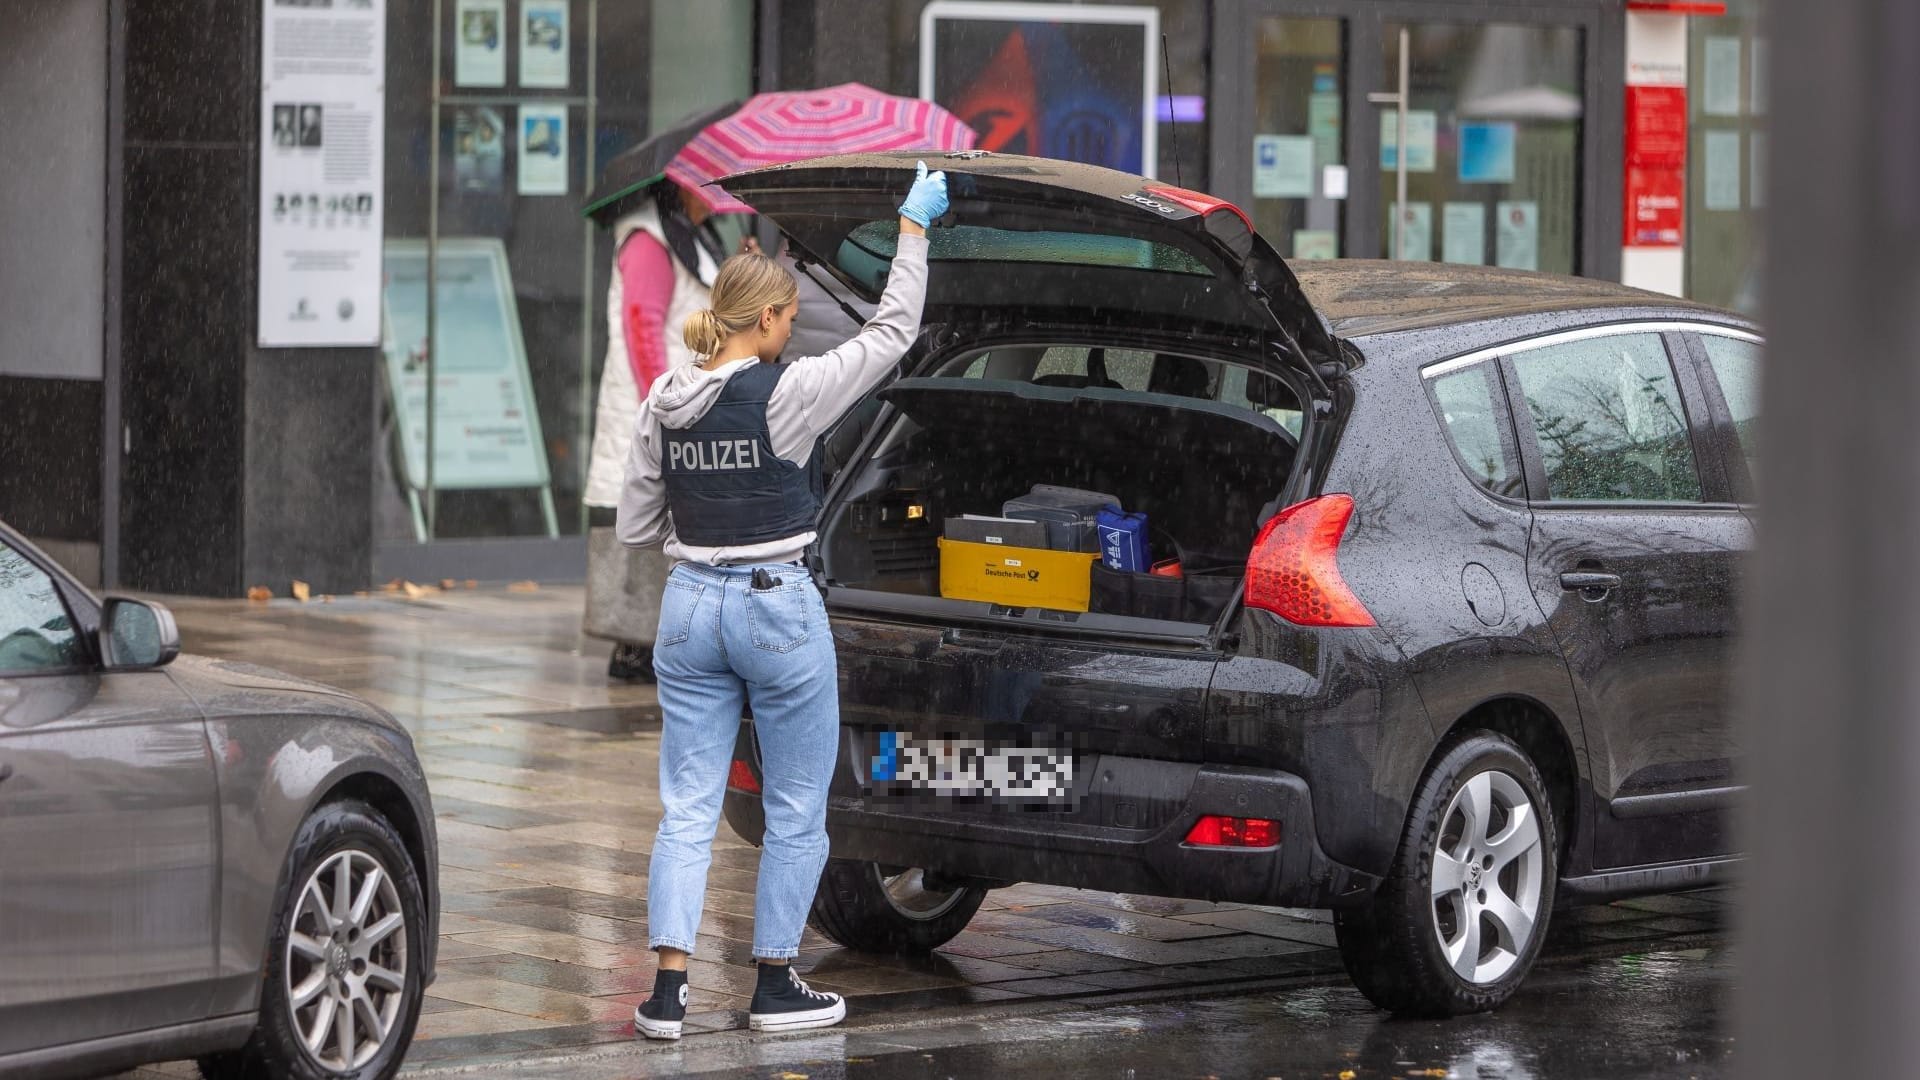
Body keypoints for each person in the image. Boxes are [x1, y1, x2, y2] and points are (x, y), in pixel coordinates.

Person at [618, 162, 948, 1039]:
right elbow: (893, 330)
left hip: (688, 606)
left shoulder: (665, 400)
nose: (793, 334)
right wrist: (912, 229)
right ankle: (773, 984)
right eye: (790, 320)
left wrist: (705, 541)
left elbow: (635, 523)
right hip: (775, 605)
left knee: (686, 804)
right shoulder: (790, 393)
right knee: (798, 803)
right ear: (763, 319)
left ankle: (666, 995)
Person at [582, 181, 725, 681]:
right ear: (679, 190)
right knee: (642, 518)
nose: (715, 198)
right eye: (706, 188)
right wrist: (660, 407)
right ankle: (635, 648)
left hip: (679, 401)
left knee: (664, 519)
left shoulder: (694, 235)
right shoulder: (648, 241)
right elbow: (642, 327)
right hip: (651, 406)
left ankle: (653, 644)